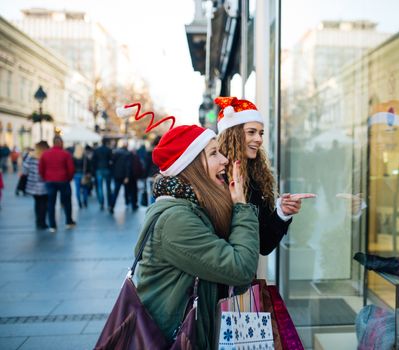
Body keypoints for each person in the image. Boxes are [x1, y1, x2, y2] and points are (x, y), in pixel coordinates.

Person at [135, 124, 259, 348]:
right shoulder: (176, 220)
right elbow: (241, 269)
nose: (224, 160)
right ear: (190, 166)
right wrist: (241, 208)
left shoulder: (194, 208)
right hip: (173, 340)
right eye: (213, 153)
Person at [215, 97, 315, 255]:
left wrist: (282, 213)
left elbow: (264, 245)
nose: (259, 139)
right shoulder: (215, 177)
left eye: (261, 133)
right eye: (251, 132)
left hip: (244, 277)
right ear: (232, 135)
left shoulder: (257, 177)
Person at [39, 136, 76, 232]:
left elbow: (41, 168)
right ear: (61, 143)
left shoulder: (45, 154)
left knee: (51, 203)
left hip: (50, 180)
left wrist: (45, 177)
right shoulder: (66, 154)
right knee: (67, 202)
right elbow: (71, 168)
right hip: (63, 180)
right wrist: (69, 178)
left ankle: (52, 225)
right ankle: (68, 221)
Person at [23, 141, 50, 229]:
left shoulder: (30, 156)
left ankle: (38, 221)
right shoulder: (46, 156)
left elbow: (25, 169)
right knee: (44, 203)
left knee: (37, 202)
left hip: (33, 183)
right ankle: (42, 222)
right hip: (43, 183)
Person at [108, 140, 132, 214]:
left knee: (116, 191)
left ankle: (112, 206)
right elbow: (128, 166)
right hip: (124, 175)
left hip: (117, 175)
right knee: (126, 191)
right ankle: (127, 203)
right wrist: (127, 176)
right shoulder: (128, 154)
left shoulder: (116, 152)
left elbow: (112, 163)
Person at [92, 139, 113, 210]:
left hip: (99, 169)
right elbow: (111, 160)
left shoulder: (97, 150)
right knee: (108, 187)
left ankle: (101, 203)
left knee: (100, 187)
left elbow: (93, 161)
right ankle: (109, 204)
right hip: (107, 169)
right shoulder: (109, 150)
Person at [72, 144, 90, 208]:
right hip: (83, 174)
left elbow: (72, 167)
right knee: (85, 189)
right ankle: (85, 201)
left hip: (76, 174)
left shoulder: (73, 157)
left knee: (77, 189)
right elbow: (88, 166)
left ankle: (79, 202)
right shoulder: (85, 157)